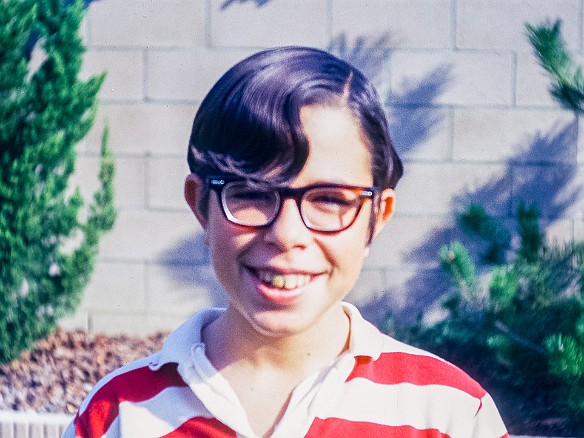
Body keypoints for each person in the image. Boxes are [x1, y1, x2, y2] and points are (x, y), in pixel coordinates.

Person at [63, 46, 508, 438]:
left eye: (330, 199)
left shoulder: (450, 416)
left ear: (378, 215)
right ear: (201, 205)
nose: (287, 235)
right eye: (252, 193)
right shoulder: (118, 416)